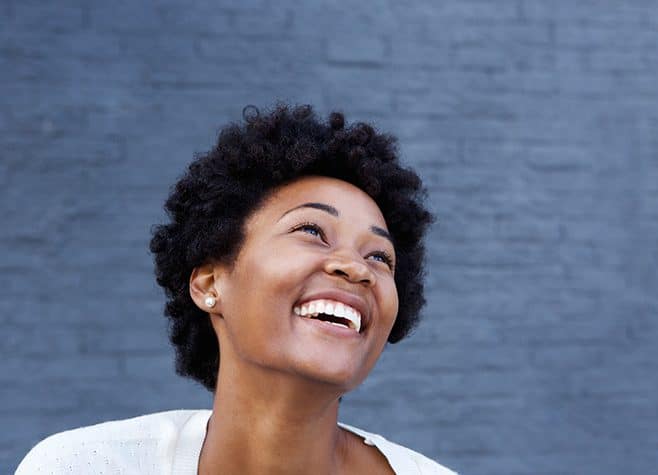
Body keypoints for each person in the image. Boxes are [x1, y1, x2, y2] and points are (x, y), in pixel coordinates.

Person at [16, 103, 456, 474]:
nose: (356, 268)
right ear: (210, 283)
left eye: (380, 258)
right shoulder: (83, 466)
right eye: (311, 230)